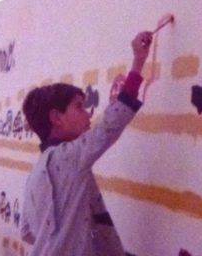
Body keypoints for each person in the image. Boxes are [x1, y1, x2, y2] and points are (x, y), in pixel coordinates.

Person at [20, 31, 153, 255]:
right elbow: (110, 125)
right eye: (79, 106)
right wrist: (138, 63)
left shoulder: (35, 174)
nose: (88, 114)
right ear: (56, 118)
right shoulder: (69, 157)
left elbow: (26, 231)